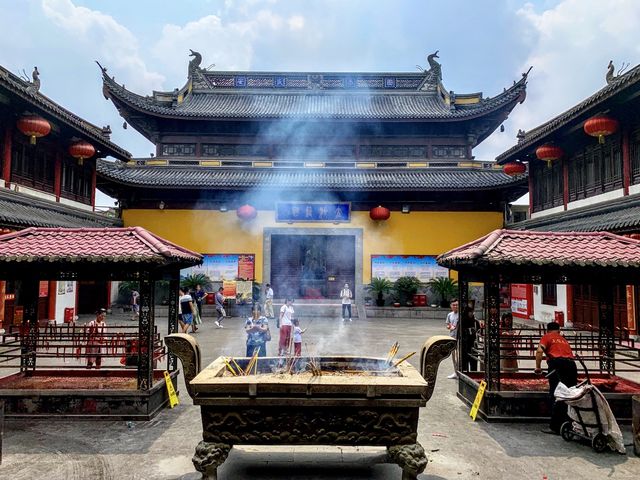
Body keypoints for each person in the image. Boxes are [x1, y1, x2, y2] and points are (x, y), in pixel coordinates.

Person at [535, 321, 578, 434]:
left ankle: (555, 426)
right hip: (572, 365)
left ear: (547, 330)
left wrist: (538, 368)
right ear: (558, 330)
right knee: (571, 393)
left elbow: (539, 351)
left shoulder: (547, 337)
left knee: (557, 393)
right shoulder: (563, 339)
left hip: (557, 365)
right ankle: (571, 423)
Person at [461, 304, 481, 372]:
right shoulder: (462, 322)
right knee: (464, 366)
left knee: (473, 364)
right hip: (464, 346)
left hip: (473, 345)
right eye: (470, 312)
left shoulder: (475, 322)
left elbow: (479, 332)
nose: (472, 314)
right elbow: (459, 334)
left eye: (473, 312)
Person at [445, 299, 459, 379]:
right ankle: (455, 372)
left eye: (457, 305)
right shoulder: (450, 315)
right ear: (451, 306)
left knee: (458, 356)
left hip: (459, 338)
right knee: (453, 356)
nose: (455, 306)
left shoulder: (461, 315)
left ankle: (459, 373)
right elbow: (448, 325)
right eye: (454, 305)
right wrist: (450, 327)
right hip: (452, 337)